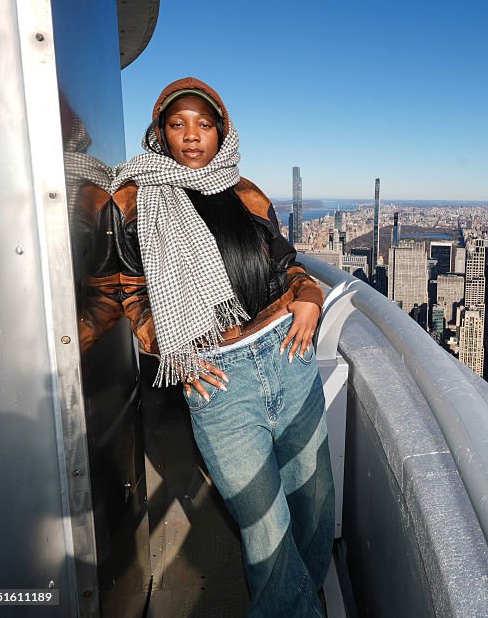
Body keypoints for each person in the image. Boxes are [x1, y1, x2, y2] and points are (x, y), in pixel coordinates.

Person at [104, 77, 334, 617]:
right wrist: (175, 353)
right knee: (266, 530)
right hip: (217, 377)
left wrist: (307, 296)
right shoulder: (134, 198)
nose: (192, 136)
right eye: (178, 123)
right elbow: (128, 293)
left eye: (204, 124)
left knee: (316, 508)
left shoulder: (244, 190)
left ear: (221, 131)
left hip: (287, 354)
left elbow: (286, 262)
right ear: (159, 131)